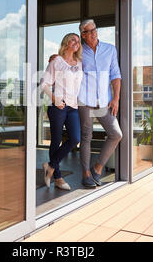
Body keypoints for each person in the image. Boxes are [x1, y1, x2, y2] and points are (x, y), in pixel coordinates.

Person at [49, 19, 122, 188]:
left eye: (94, 29)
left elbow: (115, 74)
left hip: (104, 100)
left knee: (116, 134)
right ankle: (86, 174)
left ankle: (97, 168)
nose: (92, 33)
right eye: (88, 31)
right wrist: (56, 58)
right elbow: (66, 59)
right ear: (83, 34)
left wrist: (116, 98)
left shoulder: (110, 49)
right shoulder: (80, 52)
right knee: (86, 137)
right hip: (84, 100)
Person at [40, 33, 83, 191]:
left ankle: (50, 166)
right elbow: (44, 83)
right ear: (65, 42)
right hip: (57, 106)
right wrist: (54, 99)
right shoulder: (56, 61)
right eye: (73, 39)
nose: (76, 42)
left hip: (73, 107)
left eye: (78, 41)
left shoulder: (79, 63)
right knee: (56, 140)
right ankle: (57, 178)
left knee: (74, 138)